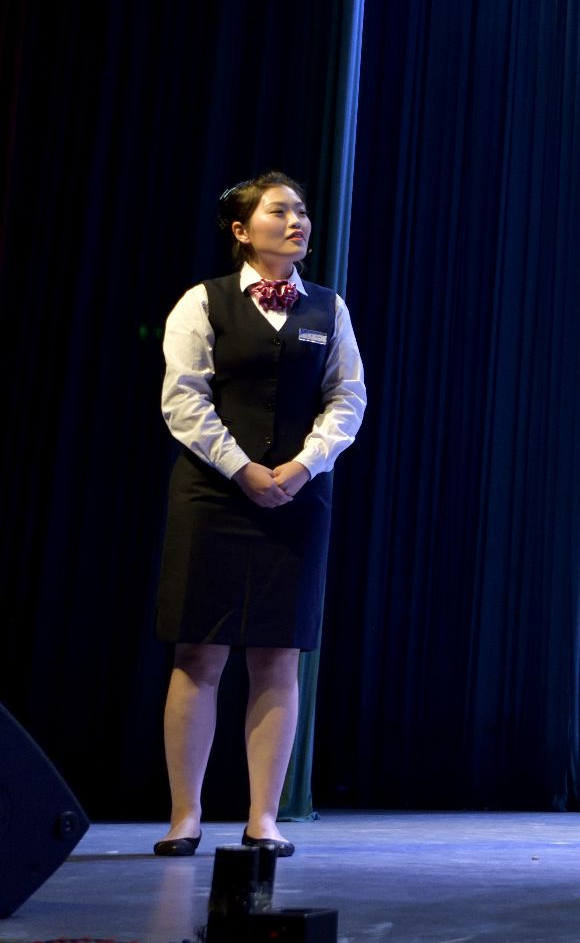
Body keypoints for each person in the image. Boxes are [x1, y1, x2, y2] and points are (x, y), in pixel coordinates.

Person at [152, 172, 366, 858]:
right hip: (214, 494)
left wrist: (303, 465)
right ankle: (185, 815)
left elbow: (347, 398)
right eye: (280, 211)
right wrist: (240, 467)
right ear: (243, 230)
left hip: (297, 495)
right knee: (198, 651)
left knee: (279, 653)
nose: (298, 220)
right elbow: (184, 398)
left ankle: (263, 818)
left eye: (302, 210)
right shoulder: (203, 301)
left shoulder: (328, 307)